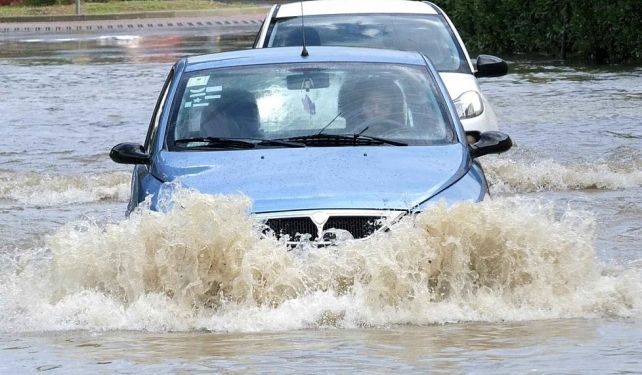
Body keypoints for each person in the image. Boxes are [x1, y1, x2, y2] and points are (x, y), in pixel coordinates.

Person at [338, 77, 405, 134]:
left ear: (394, 110)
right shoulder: (343, 138)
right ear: (359, 108)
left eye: (384, 106)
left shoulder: (409, 138)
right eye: (369, 105)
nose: (376, 112)